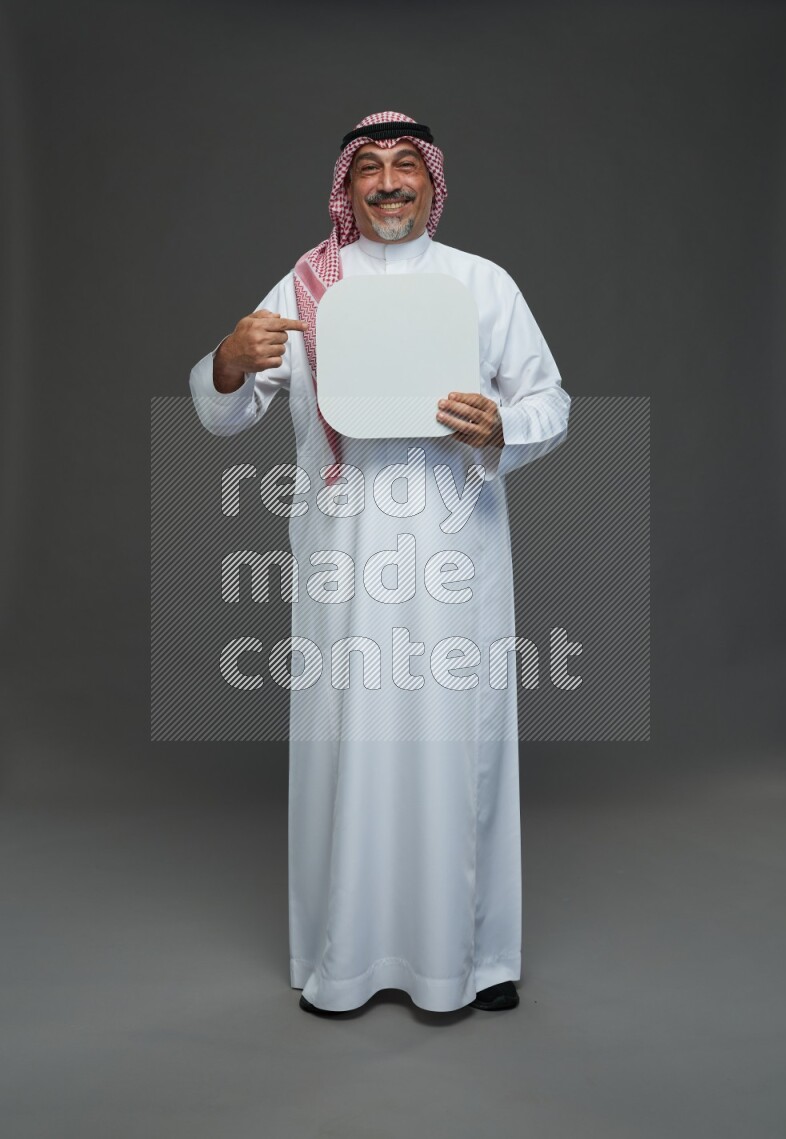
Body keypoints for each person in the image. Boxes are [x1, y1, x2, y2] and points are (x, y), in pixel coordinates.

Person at [189, 111, 571, 1015]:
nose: (390, 182)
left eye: (407, 166)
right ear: (347, 186)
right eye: (371, 168)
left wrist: (503, 424)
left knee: (458, 748)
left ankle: (473, 959)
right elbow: (222, 412)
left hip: (454, 559)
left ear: (433, 184)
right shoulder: (310, 283)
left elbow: (551, 401)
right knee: (346, 746)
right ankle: (345, 958)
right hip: (345, 563)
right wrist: (229, 364)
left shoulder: (482, 284)